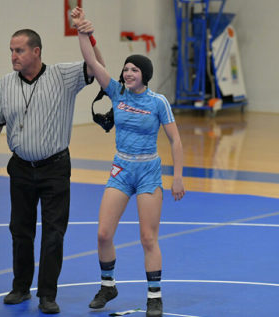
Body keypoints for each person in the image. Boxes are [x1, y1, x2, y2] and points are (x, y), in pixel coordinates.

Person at [0, 26, 104, 314]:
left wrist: (88, 36)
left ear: (36, 51)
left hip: (55, 169)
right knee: (20, 231)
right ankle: (20, 287)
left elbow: (97, 67)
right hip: (20, 169)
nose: (13, 56)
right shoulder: (5, 83)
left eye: (19, 50)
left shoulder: (63, 76)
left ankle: (47, 294)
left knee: (53, 233)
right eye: (11, 50)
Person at [71, 7, 185, 317]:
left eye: (134, 70)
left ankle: (154, 296)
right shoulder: (117, 92)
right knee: (103, 233)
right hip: (121, 169)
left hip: (148, 171)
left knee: (148, 237)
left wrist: (177, 177)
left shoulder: (158, 102)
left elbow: (175, 139)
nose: (128, 73)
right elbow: (92, 62)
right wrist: (83, 30)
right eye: (126, 69)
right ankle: (108, 286)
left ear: (144, 75)